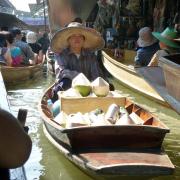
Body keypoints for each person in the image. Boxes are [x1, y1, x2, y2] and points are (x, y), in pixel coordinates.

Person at [50, 22, 106, 102]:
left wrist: (98, 84)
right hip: (68, 90)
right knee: (65, 82)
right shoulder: (61, 55)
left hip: (87, 91)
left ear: (83, 40)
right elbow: (61, 72)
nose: (77, 39)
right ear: (68, 40)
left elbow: (96, 74)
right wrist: (80, 77)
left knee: (105, 86)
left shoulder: (91, 56)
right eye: (73, 36)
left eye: (80, 36)